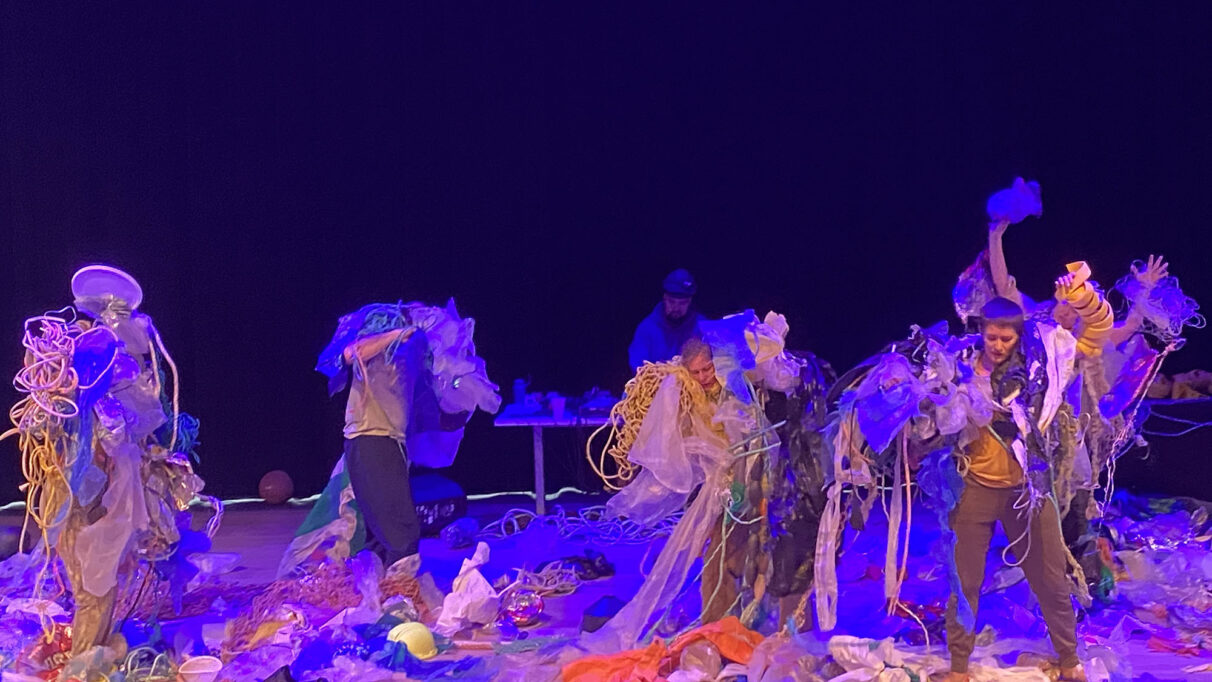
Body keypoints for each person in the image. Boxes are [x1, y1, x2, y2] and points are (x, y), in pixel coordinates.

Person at [943, 297, 1085, 682]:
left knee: (1051, 577)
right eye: (991, 337)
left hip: (1028, 490)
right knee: (965, 580)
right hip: (975, 487)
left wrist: (1069, 322)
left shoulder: (1035, 375)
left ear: (1017, 338)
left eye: (1006, 338)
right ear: (981, 333)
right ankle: (959, 668)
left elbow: (1073, 355)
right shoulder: (959, 371)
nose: (998, 345)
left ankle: (1070, 662)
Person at [628, 268, 705, 370]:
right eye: (671, 302)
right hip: (656, 384)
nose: (676, 308)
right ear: (664, 298)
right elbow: (638, 367)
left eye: (682, 303)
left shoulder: (702, 326)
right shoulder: (647, 328)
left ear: (690, 301)